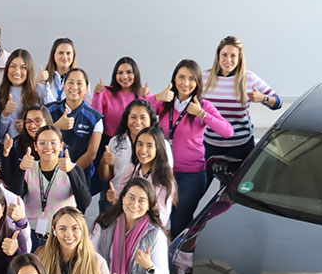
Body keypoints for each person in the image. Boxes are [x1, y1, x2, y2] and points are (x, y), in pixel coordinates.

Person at [151, 60, 233, 235]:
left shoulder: (202, 106)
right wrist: (156, 97)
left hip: (191, 175)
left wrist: (202, 114)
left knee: (180, 220)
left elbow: (227, 131)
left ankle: (176, 258)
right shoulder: (166, 102)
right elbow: (134, 111)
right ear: (174, 80)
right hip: (164, 171)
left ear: (197, 83)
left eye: (191, 79)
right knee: (157, 217)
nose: (185, 83)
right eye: (181, 77)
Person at [202, 35, 282, 162]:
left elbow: (277, 102)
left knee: (239, 182)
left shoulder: (249, 78)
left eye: (233, 56)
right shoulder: (204, 78)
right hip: (209, 145)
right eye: (224, 55)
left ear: (239, 58)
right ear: (218, 56)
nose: (228, 60)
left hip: (240, 145)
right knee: (203, 182)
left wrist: (263, 98)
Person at [13, 125, 90, 250]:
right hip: (31, 231)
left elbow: (84, 202)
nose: (48, 147)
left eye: (53, 143)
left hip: (61, 234)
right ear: (36, 147)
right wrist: (21, 170)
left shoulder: (73, 168)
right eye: (42, 143)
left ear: (61, 146)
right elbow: (16, 196)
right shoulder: (28, 167)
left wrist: (71, 172)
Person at [97, 99, 165, 199]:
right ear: (127, 118)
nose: (137, 122)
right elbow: (106, 177)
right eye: (133, 117)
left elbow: (166, 178)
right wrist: (104, 162)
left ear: (151, 120)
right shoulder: (116, 141)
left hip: (145, 202)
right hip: (115, 198)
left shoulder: (161, 143)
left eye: (143, 118)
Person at [111, 127, 177, 227]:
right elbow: (121, 203)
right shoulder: (130, 170)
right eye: (140, 144)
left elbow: (162, 219)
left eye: (149, 146)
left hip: (146, 232)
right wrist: (115, 200)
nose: (143, 150)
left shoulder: (164, 180)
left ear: (158, 148)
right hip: (123, 227)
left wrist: (143, 208)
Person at [45, 68, 103, 182]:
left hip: (78, 177)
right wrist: (56, 126)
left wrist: (70, 172)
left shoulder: (95, 118)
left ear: (86, 89)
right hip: (48, 175)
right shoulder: (48, 110)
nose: (74, 87)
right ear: (64, 86)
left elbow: (91, 154)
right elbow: (37, 138)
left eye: (79, 83)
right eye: (70, 82)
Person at [91, 56, 149, 137]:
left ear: (135, 74)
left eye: (129, 72)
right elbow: (95, 117)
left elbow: (150, 120)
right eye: (120, 73)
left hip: (136, 141)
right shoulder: (106, 92)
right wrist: (98, 94)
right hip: (108, 140)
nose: (124, 77)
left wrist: (148, 97)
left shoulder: (142, 94)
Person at [0, 49, 39, 143]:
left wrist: (29, 125)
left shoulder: (39, 91)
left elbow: (47, 124)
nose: (17, 72)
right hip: (5, 149)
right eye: (13, 66)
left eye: (23, 67)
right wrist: (5, 114)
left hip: (32, 147)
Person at [36, 38, 76, 105]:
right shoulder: (43, 78)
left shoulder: (80, 79)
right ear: (53, 55)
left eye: (68, 53)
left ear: (73, 56)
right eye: (61, 53)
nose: (65, 56)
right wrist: (35, 82)